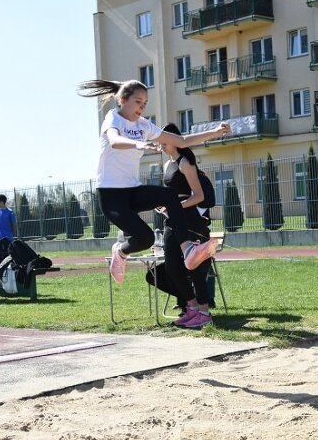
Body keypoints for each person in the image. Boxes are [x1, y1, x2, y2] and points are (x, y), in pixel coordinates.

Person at [77, 79, 230, 284]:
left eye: (145, 103)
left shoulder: (143, 125)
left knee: (168, 196)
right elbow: (114, 141)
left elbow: (181, 141)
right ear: (123, 100)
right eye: (138, 101)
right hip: (111, 195)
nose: (142, 107)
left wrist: (215, 133)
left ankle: (189, 251)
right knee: (146, 239)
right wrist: (139, 144)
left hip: (132, 190)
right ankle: (120, 252)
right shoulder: (113, 118)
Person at [144, 123, 214, 328]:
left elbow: (199, 196)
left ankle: (204, 312)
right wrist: (164, 205)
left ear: (175, 141)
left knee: (194, 267)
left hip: (189, 219)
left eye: (164, 142)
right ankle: (191, 308)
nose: (162, 146)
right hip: (171, 219)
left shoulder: (186, 163)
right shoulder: (168, 165)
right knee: (173, 267)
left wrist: (176, 206)